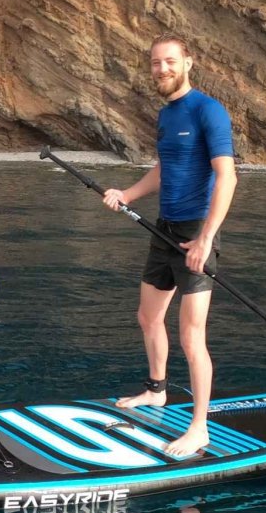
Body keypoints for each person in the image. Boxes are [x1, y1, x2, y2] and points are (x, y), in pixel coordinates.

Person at [101, 36, 237, 458]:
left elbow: (227, 177)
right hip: (164, 230)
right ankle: (157, 390)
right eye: (156, 63)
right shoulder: (165, 114)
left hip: (197, 231)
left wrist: (205, 239)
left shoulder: (208, 111)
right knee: (148, 316)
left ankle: (200, 428)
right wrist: (127, 193)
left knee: (192, 336)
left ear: (189, 63)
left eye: (170, 61)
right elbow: (164, 169)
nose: (162, 69)